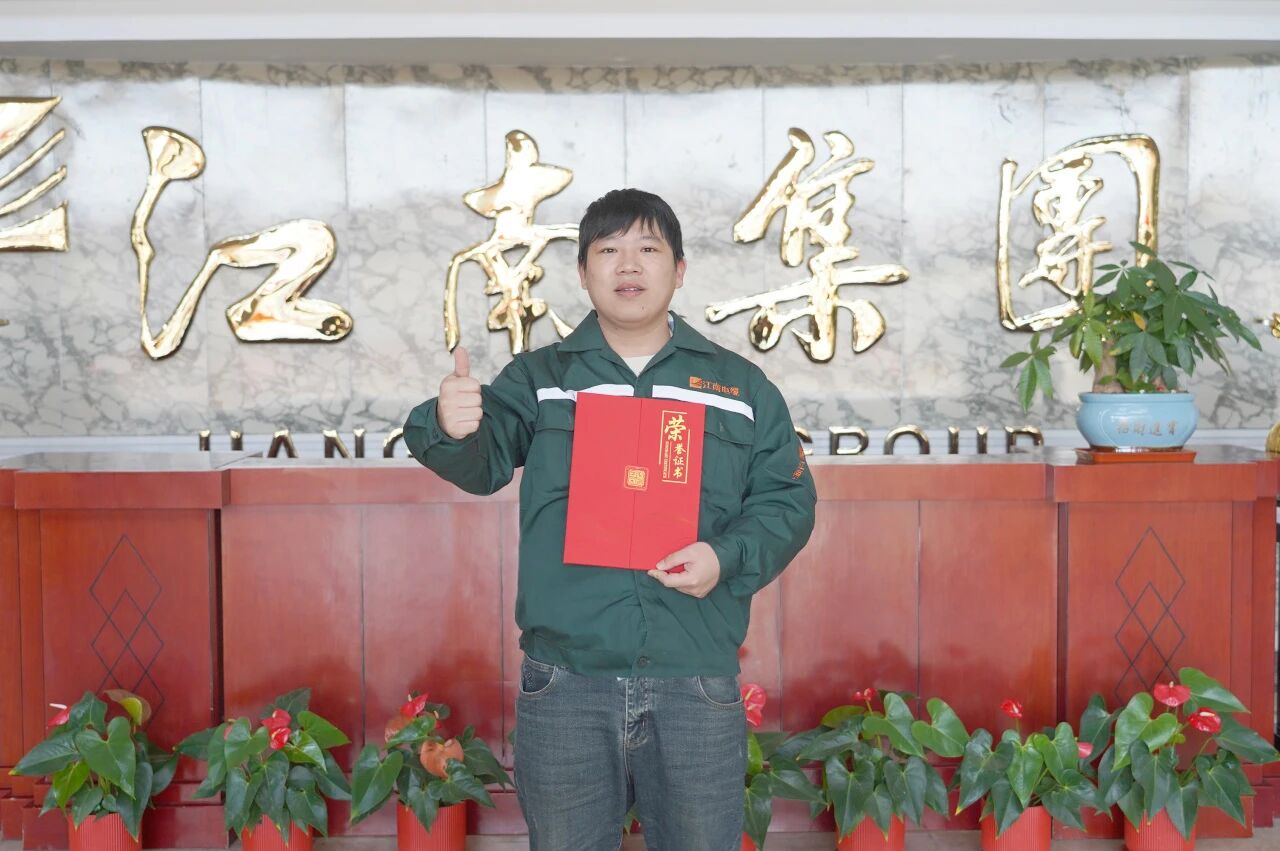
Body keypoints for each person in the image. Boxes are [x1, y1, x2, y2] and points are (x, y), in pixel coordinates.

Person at [403, 188, 816, 850]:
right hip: (566, 683)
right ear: (582, 272)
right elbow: (482, 464)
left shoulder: (739, 389)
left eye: (648, 248)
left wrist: (724, 557)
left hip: (693, 681)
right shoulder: (541, 379)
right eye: (609, 250)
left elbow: (787, 501)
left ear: (679, 269)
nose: (629, 265)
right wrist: (449, 425)